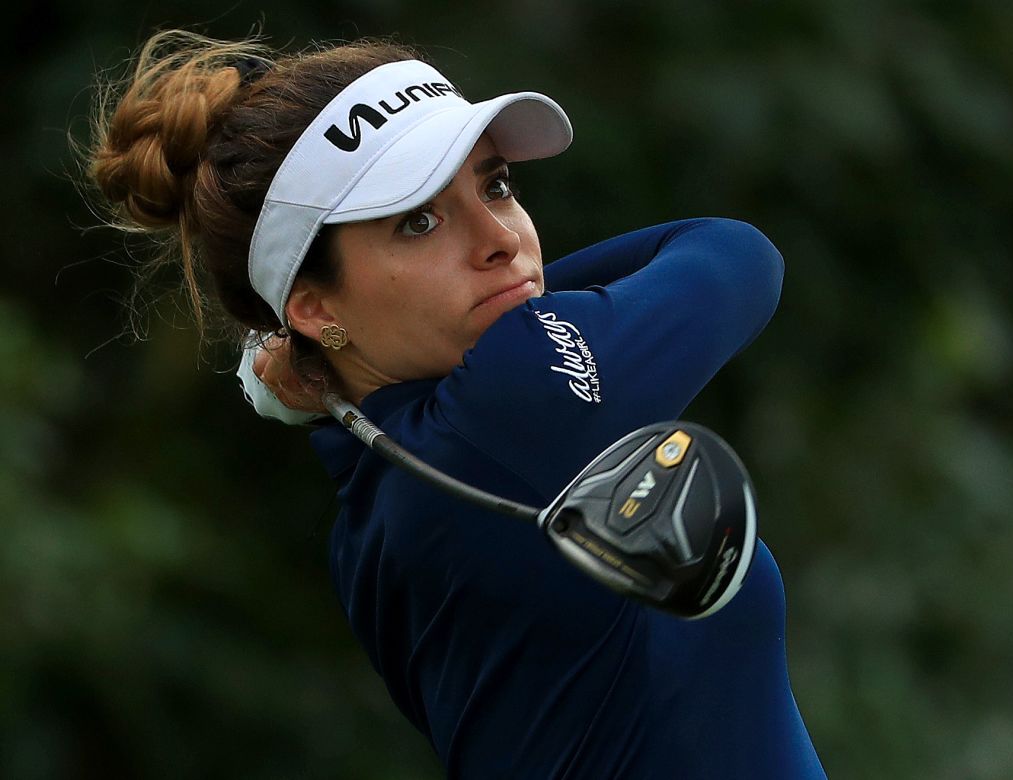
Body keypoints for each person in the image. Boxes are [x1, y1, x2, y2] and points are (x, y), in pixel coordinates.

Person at [86, 29, 826, 779]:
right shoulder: (512, 408)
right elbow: (733, 253)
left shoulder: (371, 496)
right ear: (312, 306)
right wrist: (517, 316)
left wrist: (329, 360)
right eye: (418, 221)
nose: (499, 237)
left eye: (496, 184)